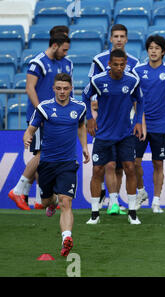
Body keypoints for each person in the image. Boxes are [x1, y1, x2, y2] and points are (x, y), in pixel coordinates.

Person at [23, 73, 89, 257]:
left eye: (65, 88)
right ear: (53, 89)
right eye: (58, 88)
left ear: (71, 89)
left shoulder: (80, 107)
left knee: (66, 201)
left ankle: (66, 238)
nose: (62, 92)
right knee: (46, 202)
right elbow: (31, 128)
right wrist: (27, 136)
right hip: (46, 164)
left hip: (67, 163)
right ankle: (51, 202)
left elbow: (81, 126)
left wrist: (84, 147)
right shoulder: (44, 108)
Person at [8, 33, 72, 211]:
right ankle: (19, 190)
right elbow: (30, 88)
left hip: (56, 118)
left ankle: (41, 198)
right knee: (42, 154)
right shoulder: (38, 62)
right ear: (55, 46)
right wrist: (42, 112)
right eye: (64, 49)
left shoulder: (65, 63)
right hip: (41, 117)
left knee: (45, 157)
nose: (66, 53)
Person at [83, 49, 144, 225]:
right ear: (109, 64)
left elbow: (140, 100)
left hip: (125, 133)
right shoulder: (98, 80)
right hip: (103, 134)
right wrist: (89, 118)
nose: (119, 68)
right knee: (97, 171)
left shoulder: (132, 80)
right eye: (115, 64)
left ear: (126, 65)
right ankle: (95, 213)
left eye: (122, 65)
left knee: (129, 169)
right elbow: (85, 96)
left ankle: (132, 212)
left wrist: (138, 121)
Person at [133, 35, 165, 213]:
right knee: (135, 162)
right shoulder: (137, 71)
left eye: (157, 48)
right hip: (140, 124)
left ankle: (157, 202)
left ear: (163, 51)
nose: (153, 51)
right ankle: (141, 191)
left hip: (160, 125)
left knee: (158, 163)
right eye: (151, 48)